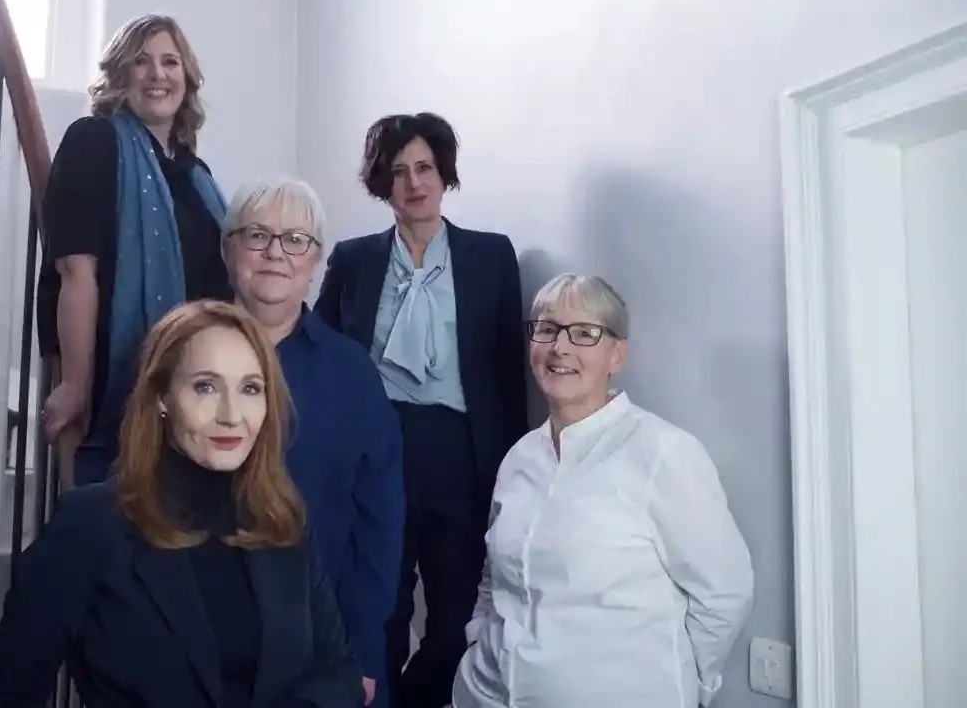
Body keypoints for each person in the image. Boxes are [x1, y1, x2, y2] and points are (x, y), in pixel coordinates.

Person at [0, 300, 365, 708]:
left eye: (250, 389)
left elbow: (338, 674)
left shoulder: (281, 520)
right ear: (161, 397)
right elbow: (4, 695)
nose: (232, 415)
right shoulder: (89, 525)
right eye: (205, 387)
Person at [453, 273, 755, 708]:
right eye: (547, 329)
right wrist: (477, 636)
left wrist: (689, 686)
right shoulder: (519, 457)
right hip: (485, 692)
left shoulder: (663, 454)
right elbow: (495, 576)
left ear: (617, 355)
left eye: (584, 333)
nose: (560, 347)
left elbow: (724, 595)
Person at [314, 113, 528, 708]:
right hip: (378, 446)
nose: (414, 182)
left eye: (425, 167)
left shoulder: (490, 256)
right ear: (382, 182)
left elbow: (508, 373)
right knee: (379, 604)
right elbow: (324, 356)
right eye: (399, 170)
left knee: (456, 615)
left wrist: (511, 470)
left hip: (459, 451)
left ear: (444, 174)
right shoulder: (354, 260)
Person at [222, 177, 405, 706]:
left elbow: (380, 521)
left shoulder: (353, 373)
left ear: (316, 260)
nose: (276, 253)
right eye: (257, 235)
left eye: (296, 239)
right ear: (227, 248)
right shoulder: (177, 353)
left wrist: (364, 649)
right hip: (199, 634)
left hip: (321, 643)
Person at [36, 14, 233, 490]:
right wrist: (75, 382)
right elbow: (75, 273)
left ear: (187, 78)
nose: (157, 74)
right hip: (119, 382)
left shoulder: (198, 176)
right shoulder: (93, 141)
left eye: (170, 62)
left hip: (196, 393)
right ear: (120, 75)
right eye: (141, 61)